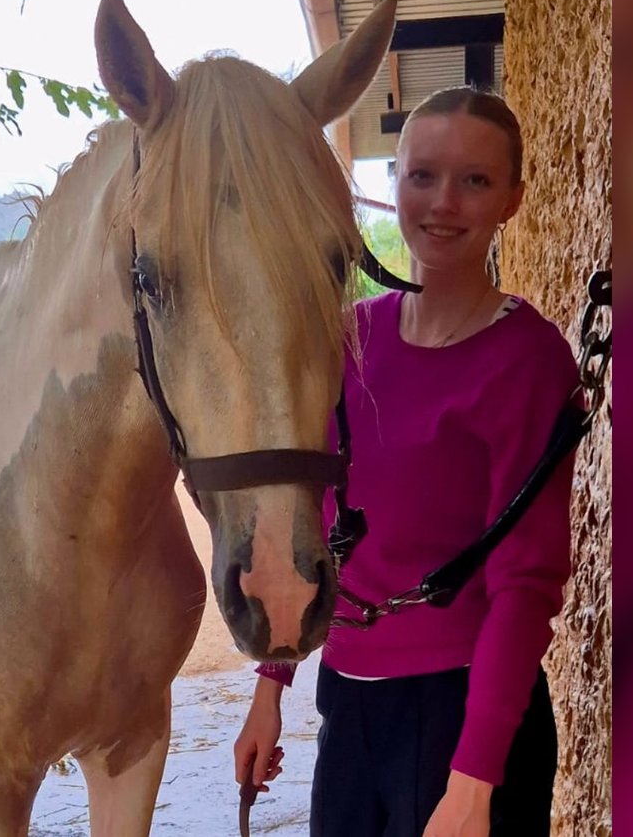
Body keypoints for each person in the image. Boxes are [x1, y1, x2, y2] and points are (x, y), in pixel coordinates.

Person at [233, 87, 579, 837]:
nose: (443, 202)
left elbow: (526, 585)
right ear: (395, 182)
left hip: (465, 707)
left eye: (475, 180)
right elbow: (317, 525)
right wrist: (271, 686)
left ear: (512, 200)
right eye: (422, 175)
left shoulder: (529, 361)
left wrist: (475, 782)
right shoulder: (349, 339)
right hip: (348, 702)